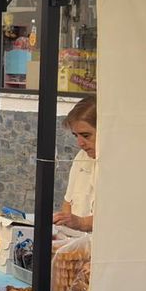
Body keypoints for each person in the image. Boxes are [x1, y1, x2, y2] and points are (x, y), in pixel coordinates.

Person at [54, 95, 96, 232]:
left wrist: (82, 223)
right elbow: (68, 202)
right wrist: (65, 220)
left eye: (86, 136)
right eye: (76, 136)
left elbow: (118, 217)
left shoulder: (121, 165)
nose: (80, 143)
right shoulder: (81, 156)